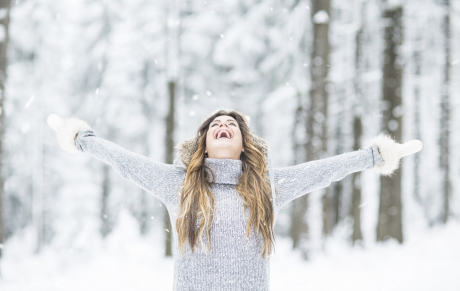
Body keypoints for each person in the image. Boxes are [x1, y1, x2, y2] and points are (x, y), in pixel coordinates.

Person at [46, 109, 422, 291]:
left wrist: (374, 156)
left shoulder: (266, 187)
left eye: (231, 125)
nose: (222, 126)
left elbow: (323, 170)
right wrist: (81, 137)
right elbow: (124, 161)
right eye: (214, 126)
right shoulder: (179, 184)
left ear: (244, 143)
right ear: (204, 143)